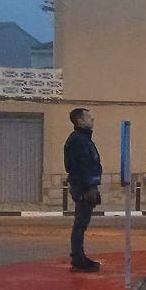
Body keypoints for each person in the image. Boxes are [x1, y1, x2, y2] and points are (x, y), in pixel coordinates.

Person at [63, 108, 103, 272]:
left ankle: (79, 257)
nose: (92, 118)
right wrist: (88, 189)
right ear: (80, 121)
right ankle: (78, 260)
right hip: (83, 188)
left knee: (81, 224)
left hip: (85, 186)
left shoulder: (82, 139)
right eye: (88, 116)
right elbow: (80, 166)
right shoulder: (79, 140)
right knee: (80, 225)